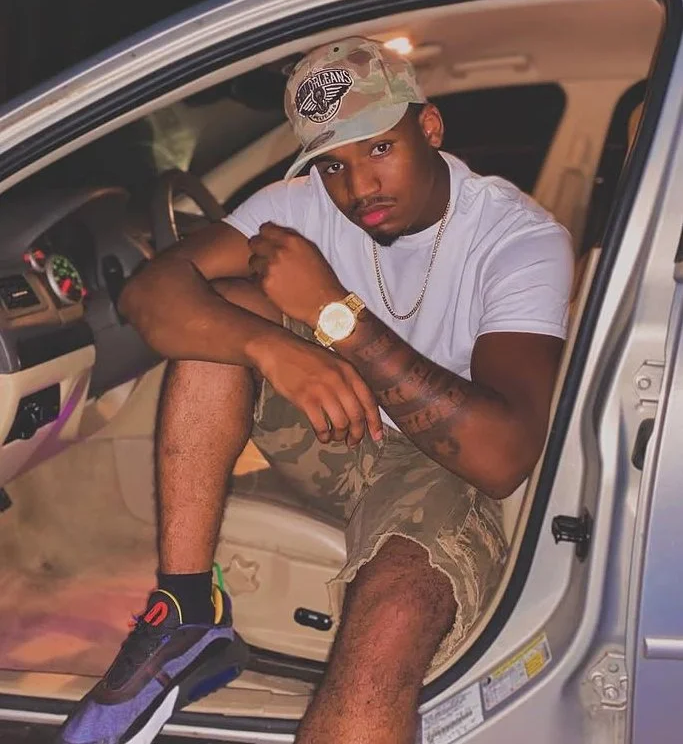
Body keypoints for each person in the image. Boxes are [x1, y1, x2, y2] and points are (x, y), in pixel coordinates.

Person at [58, 37, 574, 744]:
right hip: (337, 427)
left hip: (445, 466)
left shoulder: (517, 240)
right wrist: (271, 348)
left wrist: (336, 316)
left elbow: (502, 457)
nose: (358, 187)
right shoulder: (298, 207)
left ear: (429, 128)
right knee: (223, 315)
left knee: (392, 620)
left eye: (379, 148)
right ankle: (185, 611)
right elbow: (150, 295)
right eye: (334, 163)